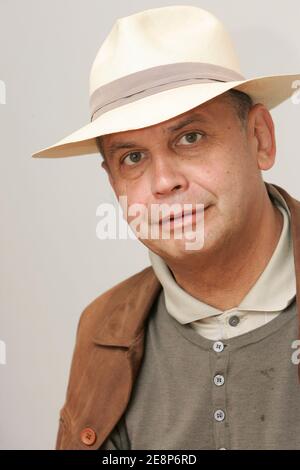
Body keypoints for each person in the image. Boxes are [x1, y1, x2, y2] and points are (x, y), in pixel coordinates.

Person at [32, 5, 300, 450]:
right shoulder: (102, 331)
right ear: (113, 181)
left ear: (260, 139)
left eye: (190, 137)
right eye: (133, 157)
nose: (164, 182)